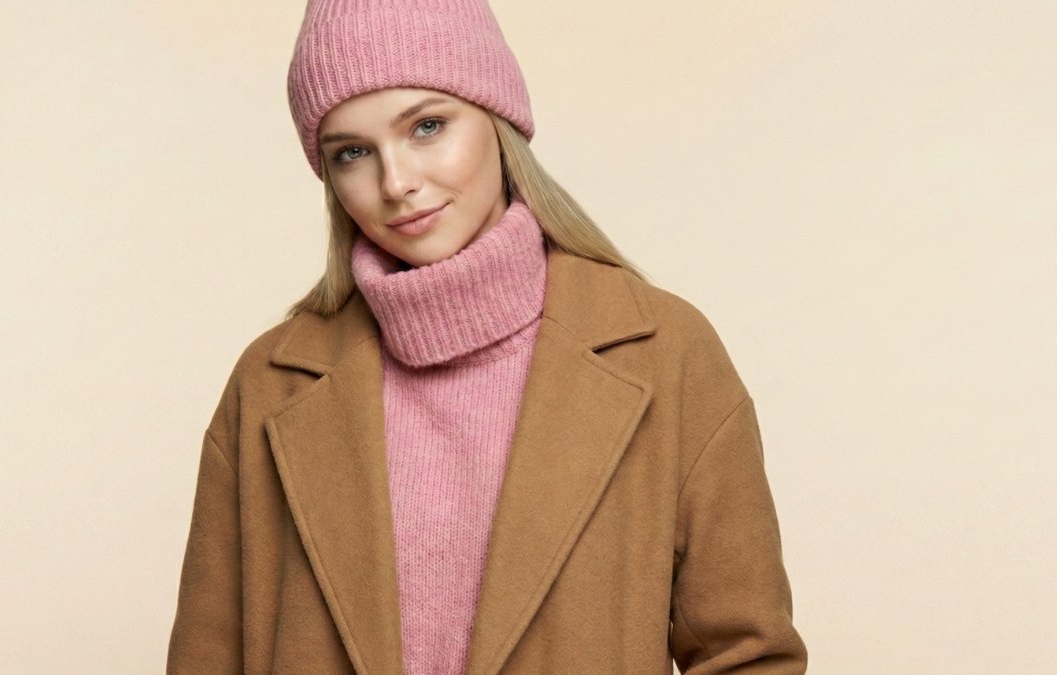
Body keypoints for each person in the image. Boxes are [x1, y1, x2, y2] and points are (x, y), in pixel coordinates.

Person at [167, 0, 808, 672]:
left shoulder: (665, 352)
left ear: (499, 122)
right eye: (352, 152)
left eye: (427, 126)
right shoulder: (269, 383)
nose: (397, 182)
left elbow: (748, 653)